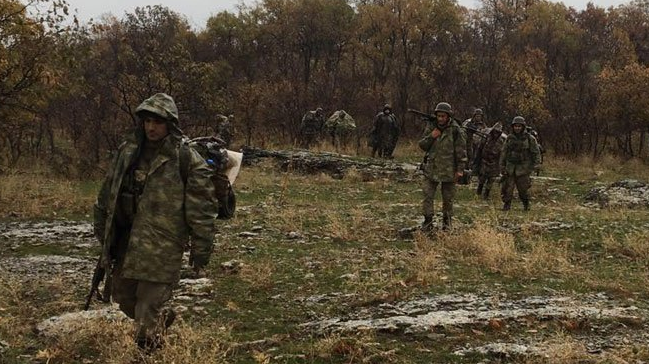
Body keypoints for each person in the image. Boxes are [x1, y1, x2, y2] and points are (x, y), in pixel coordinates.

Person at [93, 93, 218, 351]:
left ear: (169, 124)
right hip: (128, 243)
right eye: (148, 121)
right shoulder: (127, 152)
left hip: (163, 246)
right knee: (124, 298)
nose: (151, 127)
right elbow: (108, 192)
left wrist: (201, 247)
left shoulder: (185, 159)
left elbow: (202, 208)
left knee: (147, 308)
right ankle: (159, 321)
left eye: (158, 122)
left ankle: (148, 351)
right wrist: (102, 229)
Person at [418, 102, 467, 231]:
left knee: (448, 199)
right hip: (431, 169)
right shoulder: (431, 127)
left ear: (448, 116)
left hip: (449, 170)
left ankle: (447, 222)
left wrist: (460, 170)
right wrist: (431, 136)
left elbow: (461, 152)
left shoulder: (456, 130)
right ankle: (428, 221)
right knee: (427, 196)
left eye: (443, 116)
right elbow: (422, 145)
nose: (440, 119)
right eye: (438, 116)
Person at [499, 116, 542, 211]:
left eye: (519, 126)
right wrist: (502, 165)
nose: (517, 128)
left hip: (523, 168)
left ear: (523, 127)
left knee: (523, 189)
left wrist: (537, 164)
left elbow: (536, 152)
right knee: (507, 188)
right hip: (510, 167)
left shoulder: (529, 139)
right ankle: (506, 205)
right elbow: (504, 152)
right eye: (515, 126)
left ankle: (526, 205)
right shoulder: (509, 138)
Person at [472, 122, 506, 200]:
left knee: (491, 179)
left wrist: (501, 165)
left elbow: (502, 153)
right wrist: (477, 160)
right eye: (495, 131)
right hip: (485, 160)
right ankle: (478, 192)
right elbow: (480, 148)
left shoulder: (502, 140)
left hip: (494, 162)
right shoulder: (486, 137)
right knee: (482, 178)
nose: (496, 134)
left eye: (497, 132)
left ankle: (486, 194)